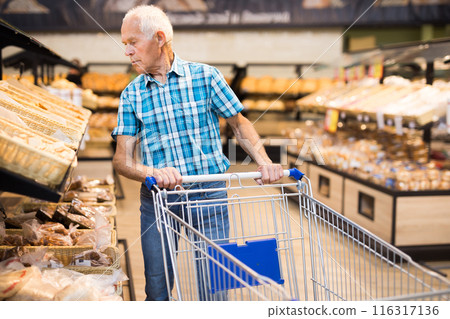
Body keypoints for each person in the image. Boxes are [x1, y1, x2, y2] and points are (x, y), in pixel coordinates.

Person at [111, 5, 284, 301]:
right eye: (124, 44)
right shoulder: (132, 93)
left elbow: (239, 124)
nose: (126, 51)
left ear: (160, 38)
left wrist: (264, 162)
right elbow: (122, 160)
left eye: (132, 42)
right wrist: (151, 172)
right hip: (159, 200)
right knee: (157, 285)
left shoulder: (206, 77)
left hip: (209, 195)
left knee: (215, 283)